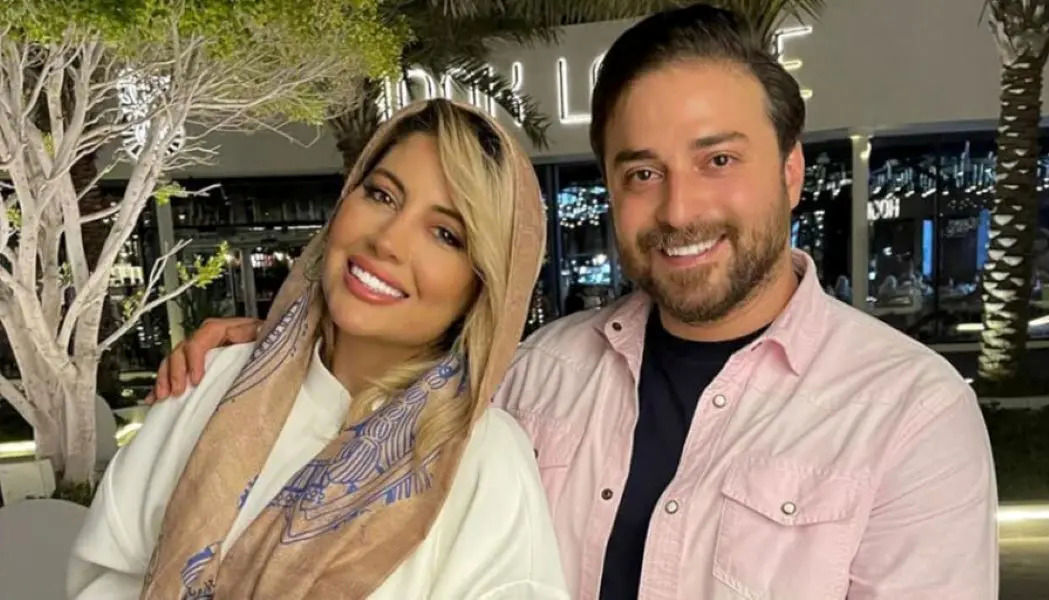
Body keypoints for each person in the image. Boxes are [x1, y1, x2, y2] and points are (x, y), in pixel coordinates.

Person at [148, 6, 998, 598]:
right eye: (642, 172)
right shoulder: (538, 374)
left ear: (791, 170)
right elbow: (390, 407)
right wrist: (282, 347)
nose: (679, 209)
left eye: (719, 160)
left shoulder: (908, 415)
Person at [70, 99, 568, 599]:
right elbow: (104, 575)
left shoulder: (483, 459)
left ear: (483, 285)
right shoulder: (217, 380)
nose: (388, 241)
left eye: (445, 234)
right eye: (382, 195)